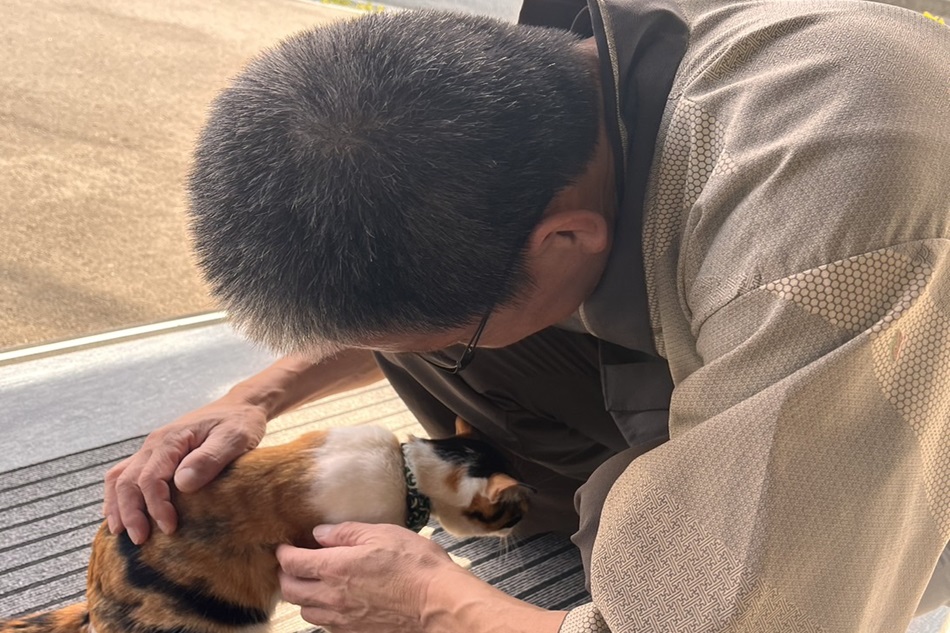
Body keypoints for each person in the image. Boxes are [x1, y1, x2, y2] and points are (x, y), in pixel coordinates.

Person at [102, 0, 950, 631]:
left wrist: (441, 602)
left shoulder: (820, 255)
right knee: (449, 340)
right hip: (790, 323)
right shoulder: (573, 81)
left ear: (568, 238)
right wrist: (252, 397)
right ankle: (580, 497)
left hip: (914, 449)